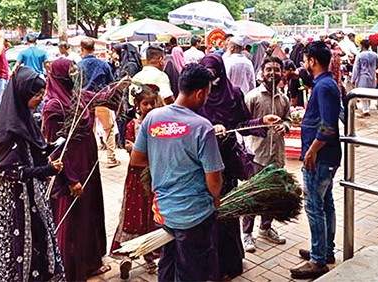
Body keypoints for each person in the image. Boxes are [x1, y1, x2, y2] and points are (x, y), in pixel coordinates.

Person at [130, 63, 224, 281]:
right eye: (207, 94)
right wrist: (216, 198)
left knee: (168, 262)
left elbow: (136, 159)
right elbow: (214, 179)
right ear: (200, 93)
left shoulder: (153, 118)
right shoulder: (203, 127)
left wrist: (164, 162)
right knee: (192, 270)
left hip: (163, 211)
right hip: (194, 215)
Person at [43, 59, 128, 281]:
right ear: (59, 75)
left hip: (89, 163)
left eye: (74, 71)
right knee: (73, 218)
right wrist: (70, 179)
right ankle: (72, 268)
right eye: (69, 72)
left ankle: (91, 261)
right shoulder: (53, 106)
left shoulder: (79, 94)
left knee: (89, 213)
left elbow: (103, 99)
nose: (73, 75)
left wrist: (119, 86)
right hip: (70, 167)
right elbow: (55, 149)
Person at [199, 54, 281, 280]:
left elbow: (243, 125)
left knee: (226, 214)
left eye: (215, 74)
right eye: (208, 75)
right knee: (208, 215)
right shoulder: (198, 97)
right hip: (202, 165)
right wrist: (209, 129)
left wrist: (262, 122)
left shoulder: (233, 94)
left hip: (227, 162)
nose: (212, 81)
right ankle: (209, 267)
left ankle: (230, 263)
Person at [0, 66, 65, 281]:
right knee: (19, 244)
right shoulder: (9, 127)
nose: (40, 98)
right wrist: (45, 170)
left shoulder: (27, 118)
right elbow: (5, 169)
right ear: (23, 93)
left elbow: (33, 149)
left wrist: (50, 148)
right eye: (36, 94)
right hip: (16, 198)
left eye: (42, 93)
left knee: (40, 238)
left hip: (33, 193)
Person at [290, 41, 341, 280]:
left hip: (320, 157)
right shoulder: (324, 83)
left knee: (314, 206)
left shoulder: (324, 87)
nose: (303, 63)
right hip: (324, 156)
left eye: (305, 59)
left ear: (312, 61)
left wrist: (311, 151)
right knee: (325, 202)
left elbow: (328, 127)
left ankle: (318, 261)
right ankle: (324, 250)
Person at [111, 84, 163, 279]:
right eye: (145, 103)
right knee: (133, 212)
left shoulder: (159, 125)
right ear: (137, 105)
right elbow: (127, 146)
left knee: (151, 213)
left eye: (152, 103)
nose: (149, 107)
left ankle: (150, 255)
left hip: (154, 175)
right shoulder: (133, 124)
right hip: (136, 176)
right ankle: (128, 254)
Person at [242, 56, 290, 253]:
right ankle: (247, 233)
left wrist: (284, 127)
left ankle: (266, 228)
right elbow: (243, 125)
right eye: (269, 69)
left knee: (272, 194)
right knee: (253, 194)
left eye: (276, 70)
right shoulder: (252, 97)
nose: (272, 73)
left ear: (282, 73)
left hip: (276, 155)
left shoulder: (284, 99)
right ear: (262, 72)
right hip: (257, 154)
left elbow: (288, 120)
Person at [77, 37, 120, 168]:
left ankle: (91, 159)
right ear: (94, 48)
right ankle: (111, 158)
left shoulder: (78, 66)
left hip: (85, 103)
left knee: (89, 131)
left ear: (81, 48)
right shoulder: (103, 64)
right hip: (102, 100)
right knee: (109, 129)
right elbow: (111, 83)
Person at [351, 39, 378, 118]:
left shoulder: (360, 55)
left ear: (362, 45)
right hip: (372, 76)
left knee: (363, 95)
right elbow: (377, 66)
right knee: (369, 94)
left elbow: (356, 68)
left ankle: (365, 111)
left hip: (363, 76)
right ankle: (367, 109)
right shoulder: (374, 55)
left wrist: (353, 79)